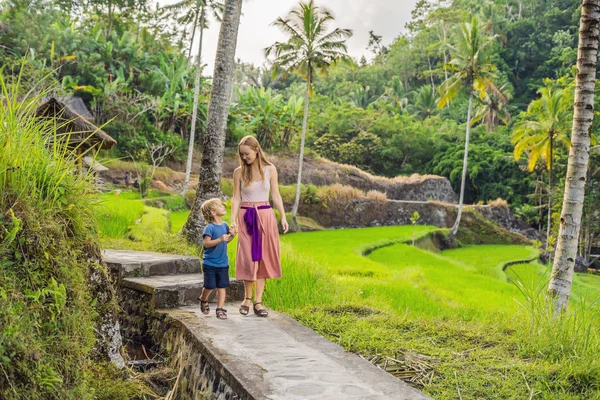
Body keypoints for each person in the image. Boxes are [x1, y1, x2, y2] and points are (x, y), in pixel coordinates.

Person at [231, 135, 289, 317]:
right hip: (247, 216)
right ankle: (246, 299)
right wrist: (232, 219)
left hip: (265, 216)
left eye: (247, 154)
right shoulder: (238, 172)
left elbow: (276, 195)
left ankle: (258, 302)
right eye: (242, 155)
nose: (245, 158)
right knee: (248, 257)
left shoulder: (270, 169)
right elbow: (236, 197)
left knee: (263, 258)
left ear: (256, 150)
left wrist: (283, 217)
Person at [198, 198, 236, 320]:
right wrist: (220, 239)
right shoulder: (209, 228)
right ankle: (203, 299)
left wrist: (233, 236)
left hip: (223, 263)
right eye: (220, 206)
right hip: (210, 263)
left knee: (222, 286)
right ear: (213, 212)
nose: (223, 206)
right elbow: (206, 244)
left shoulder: (224, 225)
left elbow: (226, 241)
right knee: (210, 286)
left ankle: (220, 309)